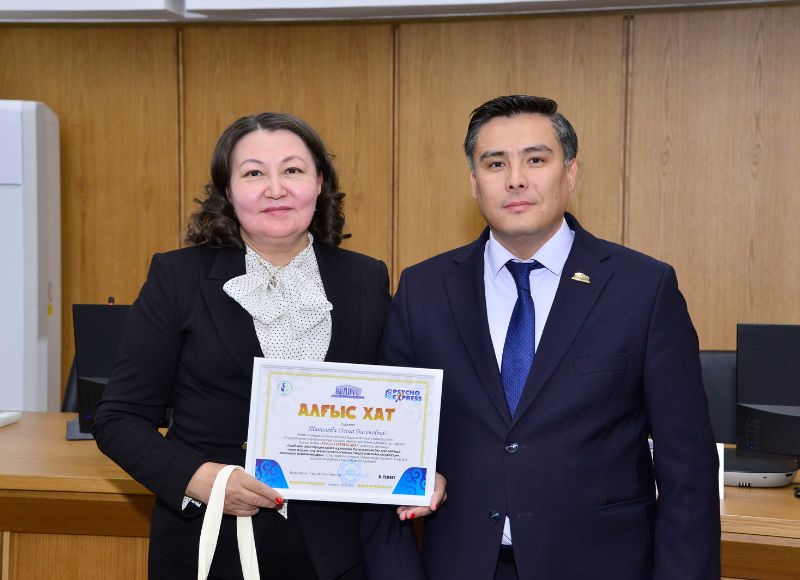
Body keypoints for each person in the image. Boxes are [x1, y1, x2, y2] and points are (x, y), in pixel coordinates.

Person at [379, 95, 720, 579]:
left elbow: (688, 470)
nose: (515, 179)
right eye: (495, 163)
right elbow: (389, 444)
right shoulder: (424, 290)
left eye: (536, 160)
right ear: (474, 182)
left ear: (571, 173)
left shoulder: (642, 289)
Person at [94, 112, 437, 580]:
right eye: (254, 173)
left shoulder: (365, 277)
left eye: (293, 170)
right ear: (228, 190)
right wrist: (204, 479)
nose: (276, 189)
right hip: (211, 545)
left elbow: (395, 404)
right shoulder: (178, 278)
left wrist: (420, 466)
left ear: (319, 182)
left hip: (338, 553)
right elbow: (118, 419)